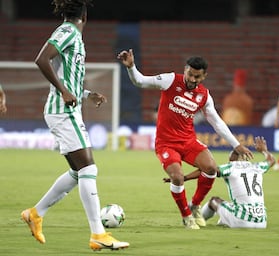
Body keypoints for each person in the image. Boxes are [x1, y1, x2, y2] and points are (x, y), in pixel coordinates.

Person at [20, 0, 129, 251]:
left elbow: (66, 73)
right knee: (89, 169)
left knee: (78, 172)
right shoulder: (67, 30)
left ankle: (35, 213)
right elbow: (41, 59)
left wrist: (86, 92)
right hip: (62, 111)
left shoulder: (74, 37)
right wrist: (65, 91)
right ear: (85, 14)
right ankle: (98, 234)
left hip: (68, 109)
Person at [118, 49, 253, 229]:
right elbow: (140, 81)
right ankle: (186, 216)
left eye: (197, 76)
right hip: (166, 143)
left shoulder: (204, 95)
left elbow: (217, 122)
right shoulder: (171, 80)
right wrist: (131, 67)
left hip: (188, 141)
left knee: (211, 168)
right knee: (177, 177)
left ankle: (195, 205)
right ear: (185, 70)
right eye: (190, 74)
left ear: (204, 76)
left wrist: (237, 145)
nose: (192, 79)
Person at [164, 136, 275, 228]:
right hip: (262, 221)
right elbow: (271, 160)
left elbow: (207, 170)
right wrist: (264, 150)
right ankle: (225, 222)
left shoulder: (231, 167)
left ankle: (197, 219)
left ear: (232, 158)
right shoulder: (258, 167)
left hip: (243, 218)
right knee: (230, 208)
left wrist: (184, 178)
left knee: (214, 201)